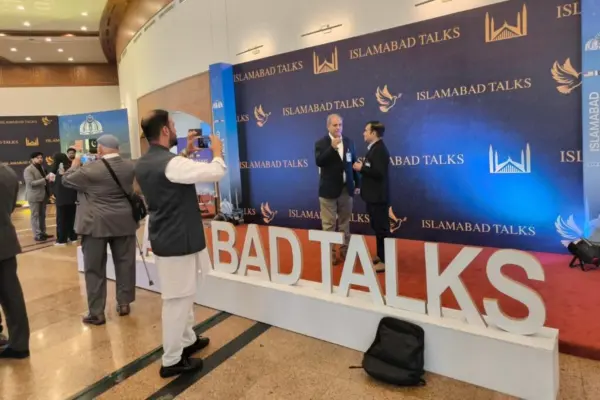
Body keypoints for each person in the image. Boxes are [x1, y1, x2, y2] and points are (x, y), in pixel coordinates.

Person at [135, 109, 226, 378]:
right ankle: (172, 359)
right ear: (165, 130)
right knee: (177, 300)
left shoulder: (147, 161)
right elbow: (216, 172)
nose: (176, 130)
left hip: (169, 237)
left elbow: (171, 175)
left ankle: (187, 340)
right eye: (173, 125)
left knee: (184, 295)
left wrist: (185, 153)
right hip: (177, 240)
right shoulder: (171, 164)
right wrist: (218, 152)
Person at [62, 135, 138, 325]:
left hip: (95, 224)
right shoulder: (130, 166)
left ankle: (96, 313)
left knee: (94, 268)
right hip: (124, 222)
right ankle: (124, 303)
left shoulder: (90, 169)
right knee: (125, 263)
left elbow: (66, 180)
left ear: (100, 149)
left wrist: (75, 162)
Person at [314, 113, 360, 264]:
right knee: (329, 225)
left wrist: (357, 184)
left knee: (345, 223)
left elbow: (353, 163)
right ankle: (330, 254)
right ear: (328, 126)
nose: (338, 128)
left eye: (340, 125)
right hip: (328, 191)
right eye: (335, 125)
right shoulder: (321, 143)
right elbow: (319, 161)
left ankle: (345, 251)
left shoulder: (349, 142)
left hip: (346, 190)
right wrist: (331, 148)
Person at [0, 163, 30, 359]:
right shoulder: (7, 172)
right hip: (5, 241)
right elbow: (11, 206)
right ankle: (20, 344)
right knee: (12, 295)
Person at [353, 121, 390, 273]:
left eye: (366, 130)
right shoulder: (374, 148)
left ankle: (385, 261)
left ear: (373, 133)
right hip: (373, 197)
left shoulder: (379, 150)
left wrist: (361, 168)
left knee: (381, 229)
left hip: (378, 197)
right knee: (377, 227)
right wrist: (364, 167)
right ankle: (380, 256)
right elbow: (373, 169)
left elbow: (379, 173)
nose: (364, 133)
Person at [23, 152, 54, 242]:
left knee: (42, 215)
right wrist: (45, 179)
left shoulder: (42, 167)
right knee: (35, 216)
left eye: (41, 157)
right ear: (32, 159)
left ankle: (43, 232)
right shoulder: (28, 170)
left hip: (43, 195)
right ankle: (37, 235)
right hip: (34, 196)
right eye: (38, 158)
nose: (40, 159)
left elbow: (45, 181)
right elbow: (31, 183)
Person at [50, 152, 78, 245]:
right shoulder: (71, 168)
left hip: (61, 199)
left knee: (61, 219)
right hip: (72, 198)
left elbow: (52, 184)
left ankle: (62, 240)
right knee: (72, 218)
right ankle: (73, 237)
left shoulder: (55, 171)